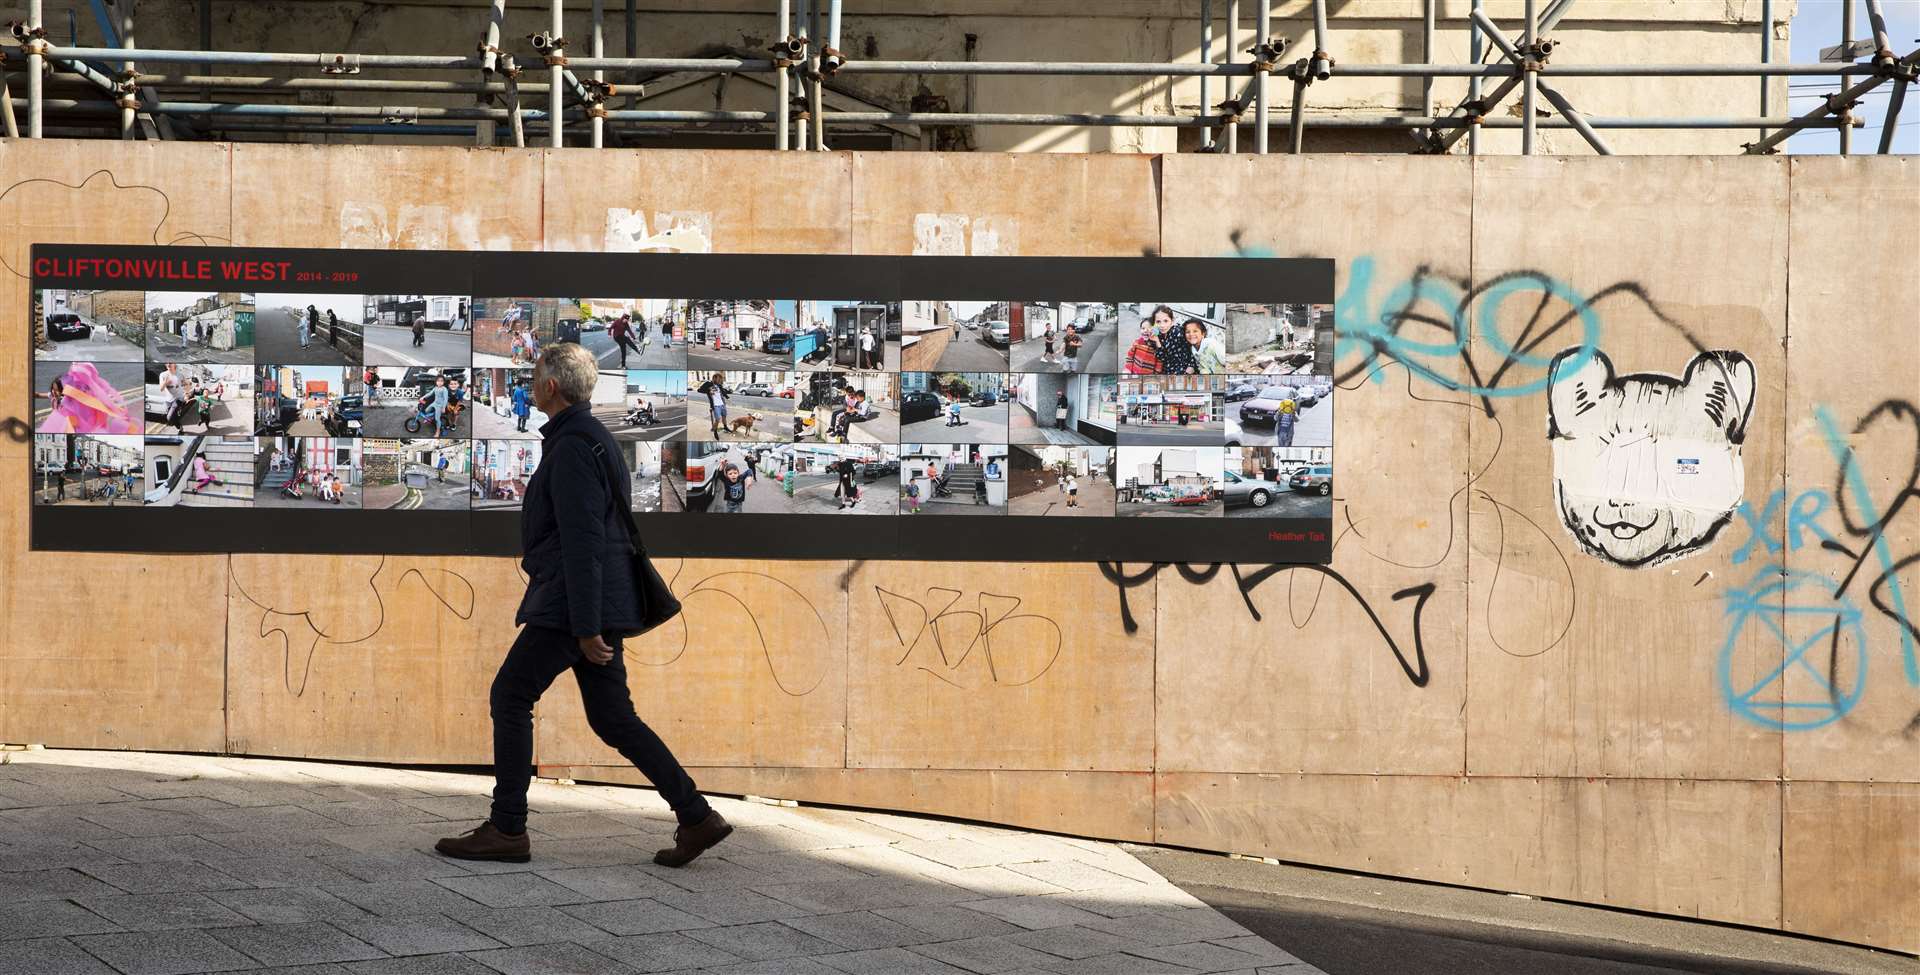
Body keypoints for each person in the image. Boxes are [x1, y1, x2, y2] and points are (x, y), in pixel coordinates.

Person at [436, 342, 726, 868]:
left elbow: (584, 539)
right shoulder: (590, 438)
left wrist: (588, 627)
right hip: (591, 598)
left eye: (532, 377)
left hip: (574, 603)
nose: (527, 384)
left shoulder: (572, 446)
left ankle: (506, 828)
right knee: (614, 718)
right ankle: (696, 815)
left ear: (550, 387)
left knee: (511, 695)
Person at [36, 363, 135, 435]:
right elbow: (48, 395)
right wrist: (38, 395)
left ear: (65, 391)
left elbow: (85, 404)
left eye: (57, 390)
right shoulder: (55, 397)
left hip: (73, 426)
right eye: (53, 390)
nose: (54, 392)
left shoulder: (69, 400)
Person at [1124, 305, 1176, 374]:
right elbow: (1130, 356)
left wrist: (1156, 374)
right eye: (1143, 328)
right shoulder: (1137, 343)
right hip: (1135, 372)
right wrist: (1128, 369)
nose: (1145, 330)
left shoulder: (1157, 346)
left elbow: (1159, 363)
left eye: (1149, 328)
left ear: (1155, 329)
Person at [696, 373, 730, 438]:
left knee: (724, 416)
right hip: (715, 406)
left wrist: (727, 397)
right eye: (719, 379)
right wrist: (708, 390)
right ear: (714, 378)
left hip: (722, 404)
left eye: (721, 379)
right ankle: (715, 431)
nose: (720, 381)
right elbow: (699, 390)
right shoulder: (708, 384)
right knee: (717, 420)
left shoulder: (719, 385)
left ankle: (725, 427)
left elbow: (722, 391)